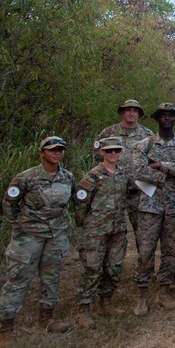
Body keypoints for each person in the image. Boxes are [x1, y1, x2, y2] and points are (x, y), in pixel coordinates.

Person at [0, 136, 74, 347]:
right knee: (18, 279)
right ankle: (6, 329)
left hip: (56, 235)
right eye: (51, 150)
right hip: (28, 236)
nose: (56, 153)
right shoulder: (26, 178)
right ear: (41, 153)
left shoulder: (67, 177)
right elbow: (9, 203)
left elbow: (70, 204)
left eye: (60, 150)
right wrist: (20, 226)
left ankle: (47, 319)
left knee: (51, 277)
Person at [131, 103, 175, 315]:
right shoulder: (145, 145)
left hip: (174, 205)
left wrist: (161, 166)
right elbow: (138, 172)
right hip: (150, 206)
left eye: (171, 116)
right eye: (163, 115)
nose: (167, 118)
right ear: (157, 118)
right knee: (146, 251)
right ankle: (142, 295)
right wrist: (165, 176)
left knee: (171, 250)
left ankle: (163, 292)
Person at [71, 136, 132, 328]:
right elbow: (80, 203)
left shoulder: (123, 174)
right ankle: (84, 310)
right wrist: (87, 224)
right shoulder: (93, 176)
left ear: (121, 152)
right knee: (93, 269)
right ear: (101, 152)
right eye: (109, 151)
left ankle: (106, 302)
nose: (113, 154)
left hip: (117, 229)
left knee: (114, 267)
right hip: (95, 231)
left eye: (116, 150)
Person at [96, 99, 153, 243]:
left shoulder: (148, 135)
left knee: (142, 231)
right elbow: (97, 158)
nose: (131, 113)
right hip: (113, 189)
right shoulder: (108, 133)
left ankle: (143, 263)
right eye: (128, 110)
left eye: (135, 110)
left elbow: (153, 161)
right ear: (122, 112)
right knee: (110, 229)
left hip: (138, 190)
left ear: (139, 114)